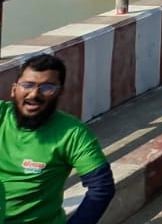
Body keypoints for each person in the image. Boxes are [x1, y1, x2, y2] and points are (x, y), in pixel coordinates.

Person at [1, 55, 114, 224]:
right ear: (14, 89)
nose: (34, 94)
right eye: (27, 85)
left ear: (60, 92)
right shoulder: (2, 116)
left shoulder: (72, 133)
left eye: (47, 87)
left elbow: (102, 187)